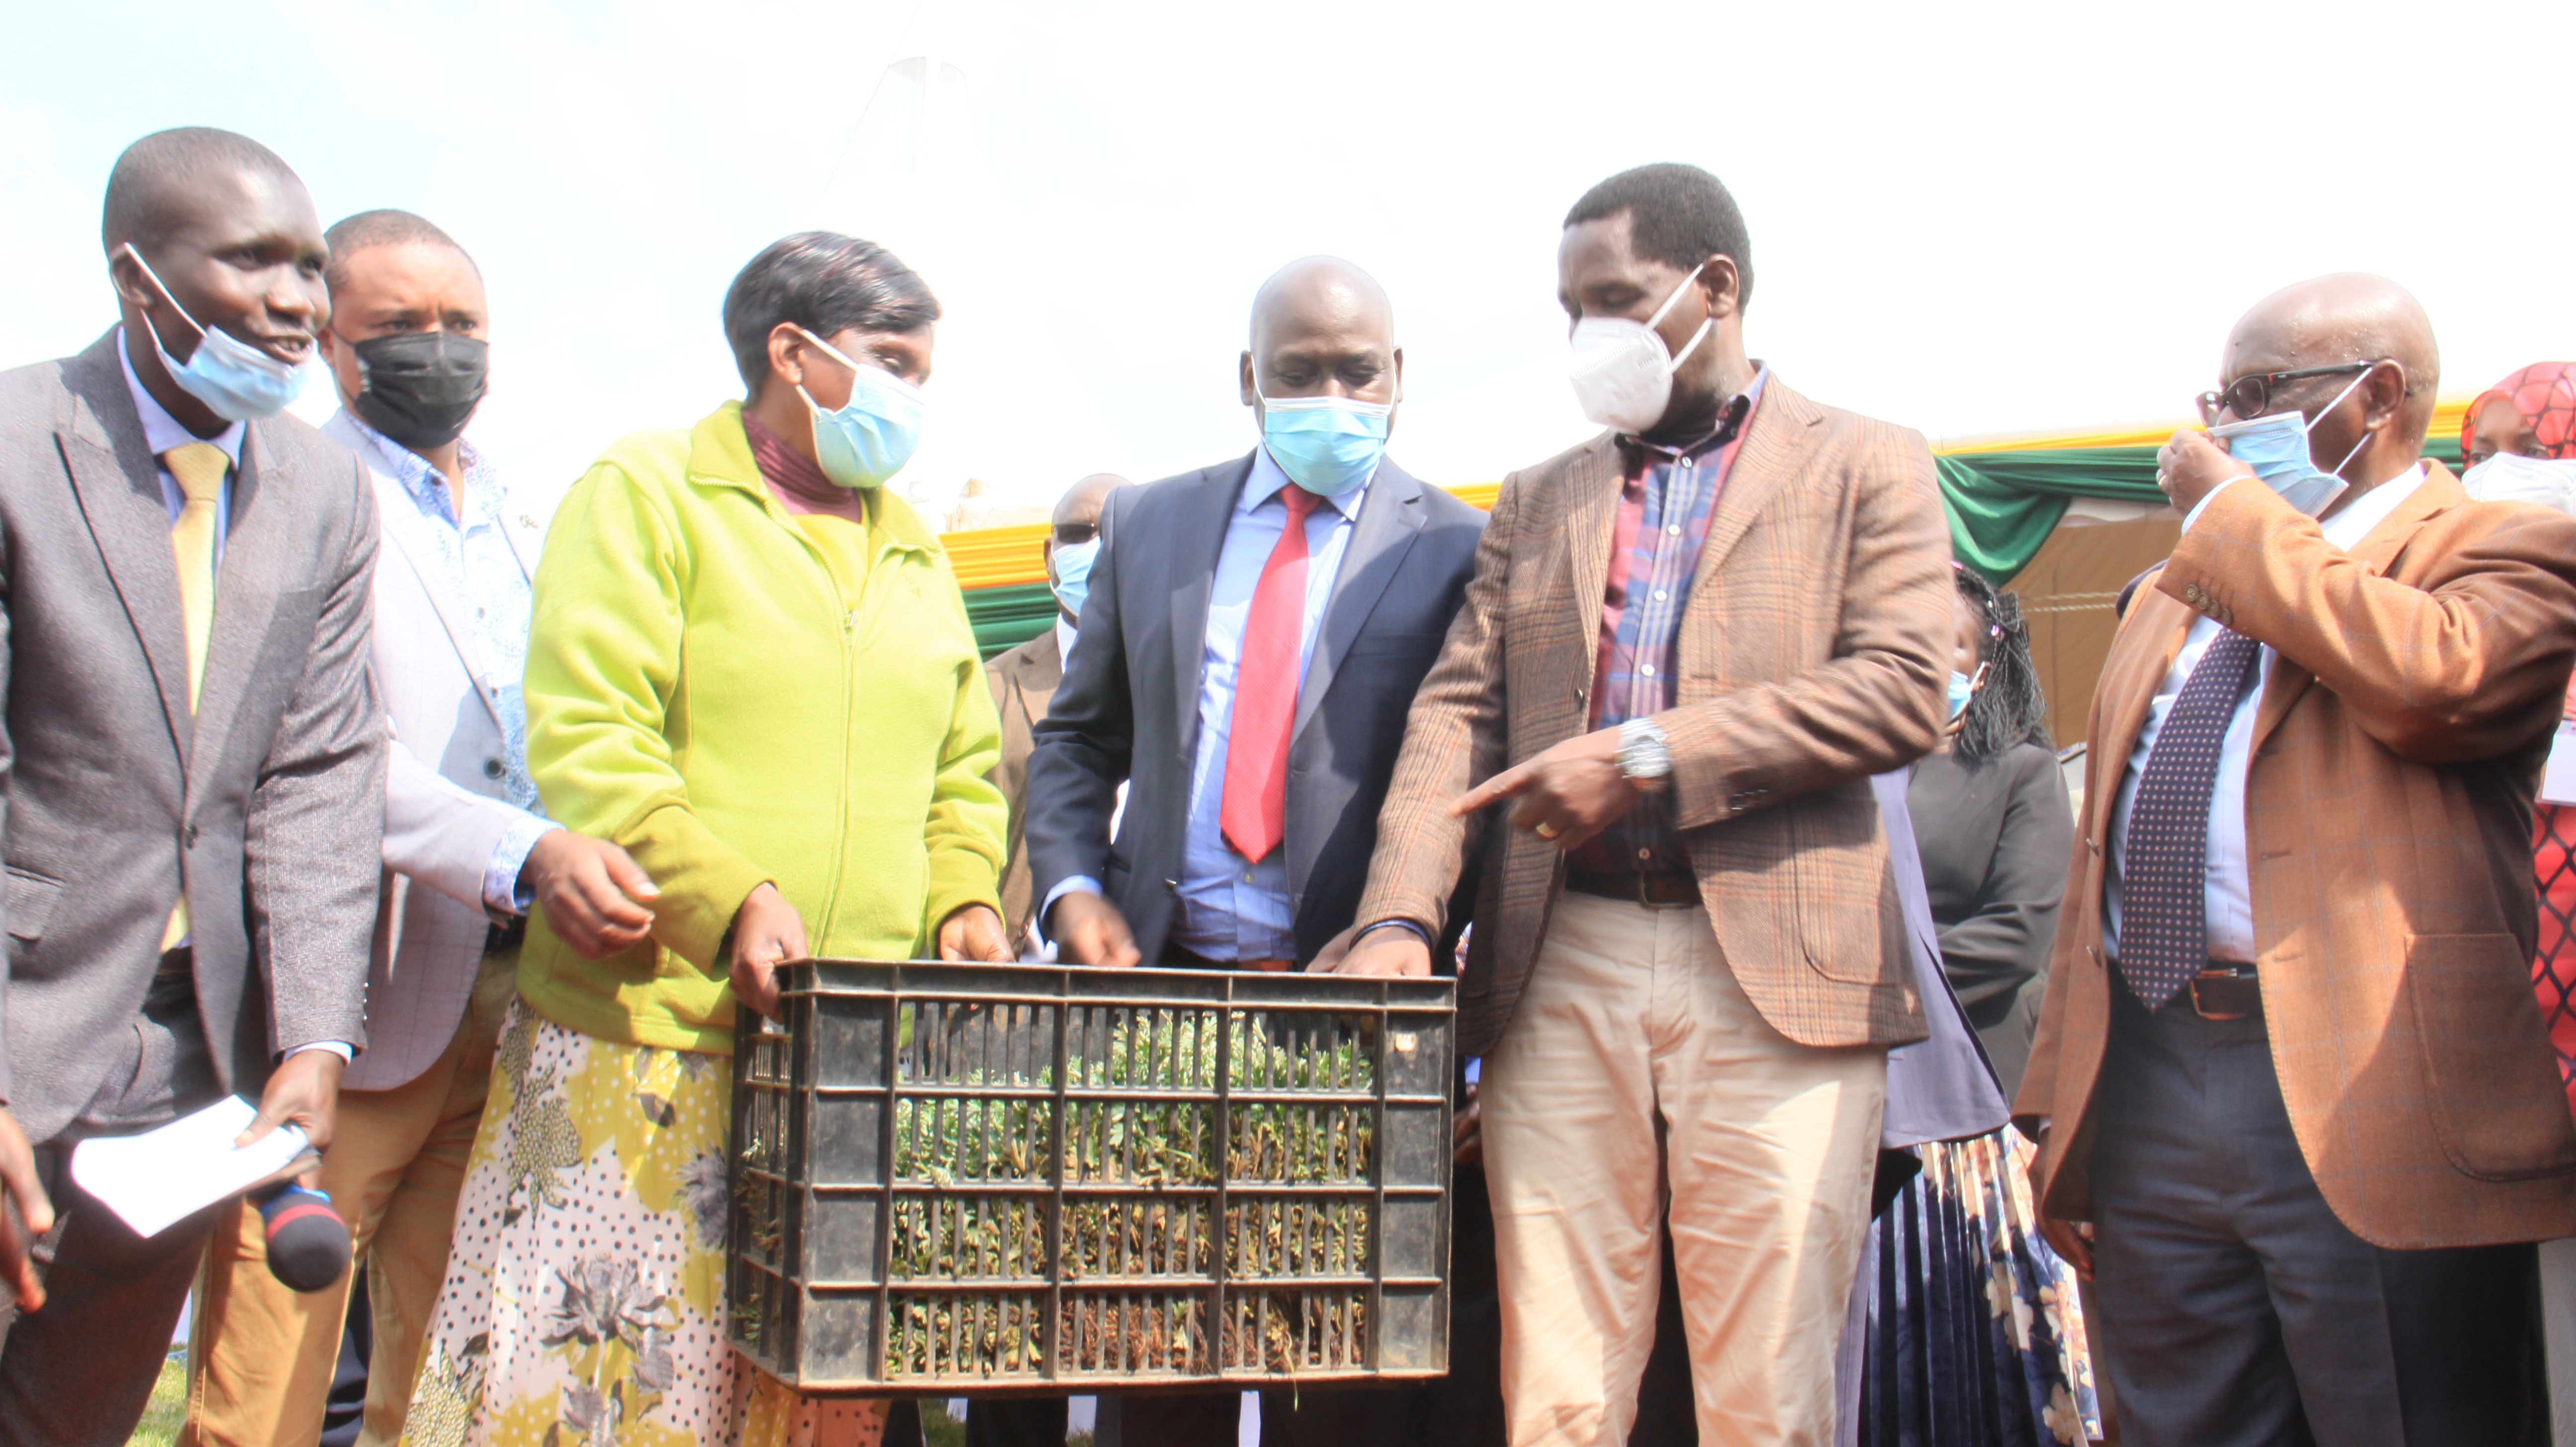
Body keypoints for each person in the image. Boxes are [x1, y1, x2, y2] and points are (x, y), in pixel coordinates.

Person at [1330, 162, 1953, 1446]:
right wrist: (1398, 915)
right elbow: (1459, 714)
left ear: (1714, 287)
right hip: (1564, 958)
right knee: (1555, 1387)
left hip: (1777, 971)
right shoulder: (1544, 493)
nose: (1586, 334)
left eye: (1614, 299)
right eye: (1571, 309)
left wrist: (1647, 755)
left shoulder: (1868, 460)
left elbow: (1904, 690)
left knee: (1766, 1389)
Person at [400, 231, 1011, 1447]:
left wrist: (964, 897)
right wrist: (729, 897)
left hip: (847, 1053)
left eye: (923, 372)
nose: (911, 396)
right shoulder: (648, 490)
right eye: (891, 361)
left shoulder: (911, 544)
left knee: (802, 1396)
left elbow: (963, 768)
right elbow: (591, 734)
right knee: (611, 1394)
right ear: (792, 353)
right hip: (650, 1033)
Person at [2018, 273, 2576, 1446]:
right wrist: (2060, 1108)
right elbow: (2101, 853)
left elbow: (2436, 684)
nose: (2220, 424)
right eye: (2217, 397)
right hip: (2152, 1074)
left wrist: (2233, 519)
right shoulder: (2175, 588)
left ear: (2378, 397)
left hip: (2366, 1083)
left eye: (2257, 392)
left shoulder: (2504, 545)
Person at [183, 209, 658, 1447]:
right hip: (350, 1003)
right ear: (332, 344)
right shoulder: (281, 494)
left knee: (444, 1373)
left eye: (461, 324)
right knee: (267, 1376)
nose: (437, 349)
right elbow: (316, 753)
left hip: (512, 1001)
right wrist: (526, 853)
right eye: (399, 325)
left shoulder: (524, 513)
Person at [1020, 256, 1493, 1446]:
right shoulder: (1151, 525)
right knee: (1159, 1372)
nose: (1331, 396)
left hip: (1355, 1025)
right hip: (1162, 1009)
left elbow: (1475, 784)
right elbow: (1077, 741)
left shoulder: (1462, 547)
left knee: (1336, 1385)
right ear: (1247, 378)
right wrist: (1070, 887)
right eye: (1299, 372)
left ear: (1398, 377)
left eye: (1358, 372)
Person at [0, 127, 386, 1446]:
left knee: (72, 1414)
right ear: (137, 276)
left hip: (186, 1062)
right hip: (19, 1011)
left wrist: (314, 1039)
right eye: (252, 261)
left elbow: (321, 771)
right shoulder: (13, 441)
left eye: (311, 267)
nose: (297, 302)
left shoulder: (324, 490)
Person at [1852, 566, 2095, 1446]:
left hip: (1972, 1105)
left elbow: (2019, 932)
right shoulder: (1846, 775)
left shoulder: (2021, 772)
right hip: (1854, 1095)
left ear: (1982, 665)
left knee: (1977, 1366)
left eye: (1945, 645)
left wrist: (1865, 980)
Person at [987, 471, 1129, 952]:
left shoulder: (1188, 688)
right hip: (1018, 981)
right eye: (1076, 533)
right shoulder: (990, 688)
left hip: (1148, 974)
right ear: (1050, 556)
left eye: (1112, 532)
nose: (1095, 548)